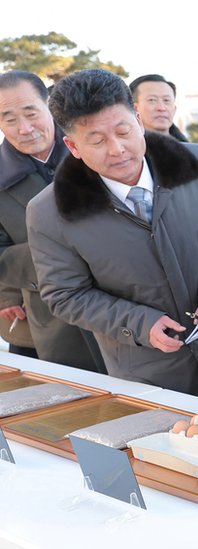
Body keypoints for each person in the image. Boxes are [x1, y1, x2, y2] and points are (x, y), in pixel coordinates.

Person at [26, 69, 198, 403]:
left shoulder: (197, 162)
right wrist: (141, 324)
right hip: (149, 374)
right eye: (96, 141)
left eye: (124, 131)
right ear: (72, 145)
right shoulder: (49, 211)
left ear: (138, 121)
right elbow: (65, 295)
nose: (117, 149)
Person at [0, 70, 104, 371]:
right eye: (9, 119)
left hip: (120, 302)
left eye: (31, 113)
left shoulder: (93, 151)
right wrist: (55, 255)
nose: (24, 128)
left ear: (50, 105)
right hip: (48, 314)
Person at [130, 74, 188, 142]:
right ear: (134, 108)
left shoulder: (194, 151)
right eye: (152, 100)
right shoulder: (120, 150)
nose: (162, 108)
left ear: (174, 109)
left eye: (166, 100)